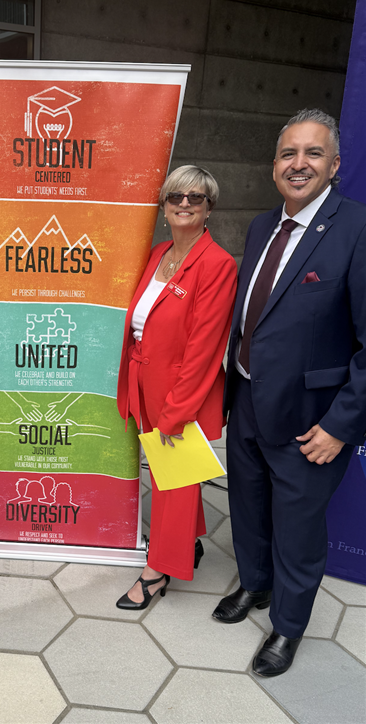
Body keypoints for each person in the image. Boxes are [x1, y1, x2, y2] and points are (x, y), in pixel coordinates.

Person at [213, 109, 366, 677]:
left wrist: (340, 425)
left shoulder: (356, 229)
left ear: (335, 166)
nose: (298, 163)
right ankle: (254, 586)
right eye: (288, 154)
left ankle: (289, 625)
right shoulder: (260, 227)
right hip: (250, 399)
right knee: (248, 507)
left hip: (312, 419)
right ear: (273, 165)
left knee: (299, 530)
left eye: (313, 154)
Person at [115, 165, 237, 609]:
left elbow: (205, 348)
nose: (185, 203)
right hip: (146, 380)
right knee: (174, 476)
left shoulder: (218, 264)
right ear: (165, 207)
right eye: (176, 197)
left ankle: (158, 571)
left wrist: (175, 410)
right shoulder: (159, 252)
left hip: (181, 393)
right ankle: (190, 542)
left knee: (174, 483)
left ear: (209, 209)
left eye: (196, 198)